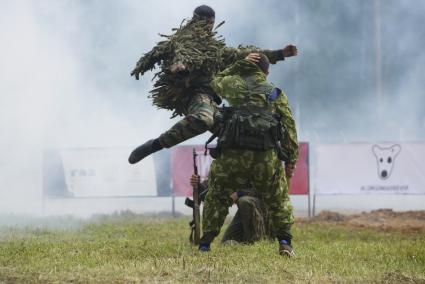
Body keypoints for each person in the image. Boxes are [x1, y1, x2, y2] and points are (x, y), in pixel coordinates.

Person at [128, 5, 297, 164]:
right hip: (195, 94)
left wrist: (280, 53)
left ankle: (229, 187)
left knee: (235, 133)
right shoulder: (180, 42)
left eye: (209, 23)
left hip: (211, 100)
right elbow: (162, 54)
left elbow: (242, 53)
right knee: (203, 119)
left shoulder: (214, 49)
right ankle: (154, 145)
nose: (206, 27)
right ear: (194, 20)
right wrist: (174, 67)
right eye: (202, 21)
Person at [199, 53, 299, 257]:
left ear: (246, 67)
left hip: (232, 157)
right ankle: (284, 242)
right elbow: (289, 128)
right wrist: (290, 159)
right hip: (265, 158)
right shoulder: (275, 93)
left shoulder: (232, 84)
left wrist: (237, 64)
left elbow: (214, 80)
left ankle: (205, 244)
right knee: (278, 197)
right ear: (266, 71)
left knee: (217, 195)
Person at [189, 174, 269, 244]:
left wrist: (239, 194)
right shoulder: (229, 163)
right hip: (245, 212)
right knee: (227, 241)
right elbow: (214, 189)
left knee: (244, 202)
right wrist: (198, 185)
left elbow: (264, 187)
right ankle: (249, 237)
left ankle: (255, 240)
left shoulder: (255, 161)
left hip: (265, 209)